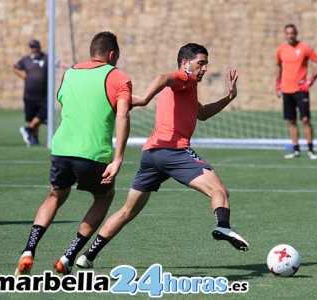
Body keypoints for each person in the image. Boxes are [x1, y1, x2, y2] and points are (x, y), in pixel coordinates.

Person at [75, 43, 249, 270]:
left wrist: (229, 97)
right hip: (173, 150)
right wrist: (146, 98)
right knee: (219, 191)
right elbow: (161, 77)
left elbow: (202, 113)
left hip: (151, 154)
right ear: (185, 64)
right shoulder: (186, 78)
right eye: (201, 63)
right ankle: (224, 225)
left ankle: (87, 256)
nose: (204, 68)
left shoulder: (184, 87)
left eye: (206, 64)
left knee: (127, 211)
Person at [14, 31, 132, 276]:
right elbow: (122, 115)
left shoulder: (70, 73)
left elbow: (66, 101)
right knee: (104, 197)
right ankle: (68, 257)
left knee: (54, 196)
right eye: (117, 56)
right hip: (93, 153)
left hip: (61, 149)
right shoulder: (118, 76)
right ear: (112, 54)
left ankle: (28, 250)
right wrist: (118, 158)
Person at [276, 24, 317, 159]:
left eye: (292, 33)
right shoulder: (281, 49)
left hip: (301, 90)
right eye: (288, 33)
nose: (290, 35)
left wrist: (310, 80)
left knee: (305, 119)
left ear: (296, 33)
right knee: (291, 120)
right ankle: (296, 149)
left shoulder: (304, 48)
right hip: (286, 89)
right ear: (285, 34)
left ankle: (310, 149)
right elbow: (278, 66)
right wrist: (277, 84)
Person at [13, 39, 48, 146]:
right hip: (29, 95)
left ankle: (27, 129)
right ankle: (34, 139)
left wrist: (67, 65)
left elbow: (57, 62)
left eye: (36, 47)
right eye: (32, 47)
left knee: (45, 115)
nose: (34, 49)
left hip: (43, 95)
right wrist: (23, 76)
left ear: (39, 47)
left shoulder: (46, 58)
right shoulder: (26, 60)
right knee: (33, 118)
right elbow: (15, 67)